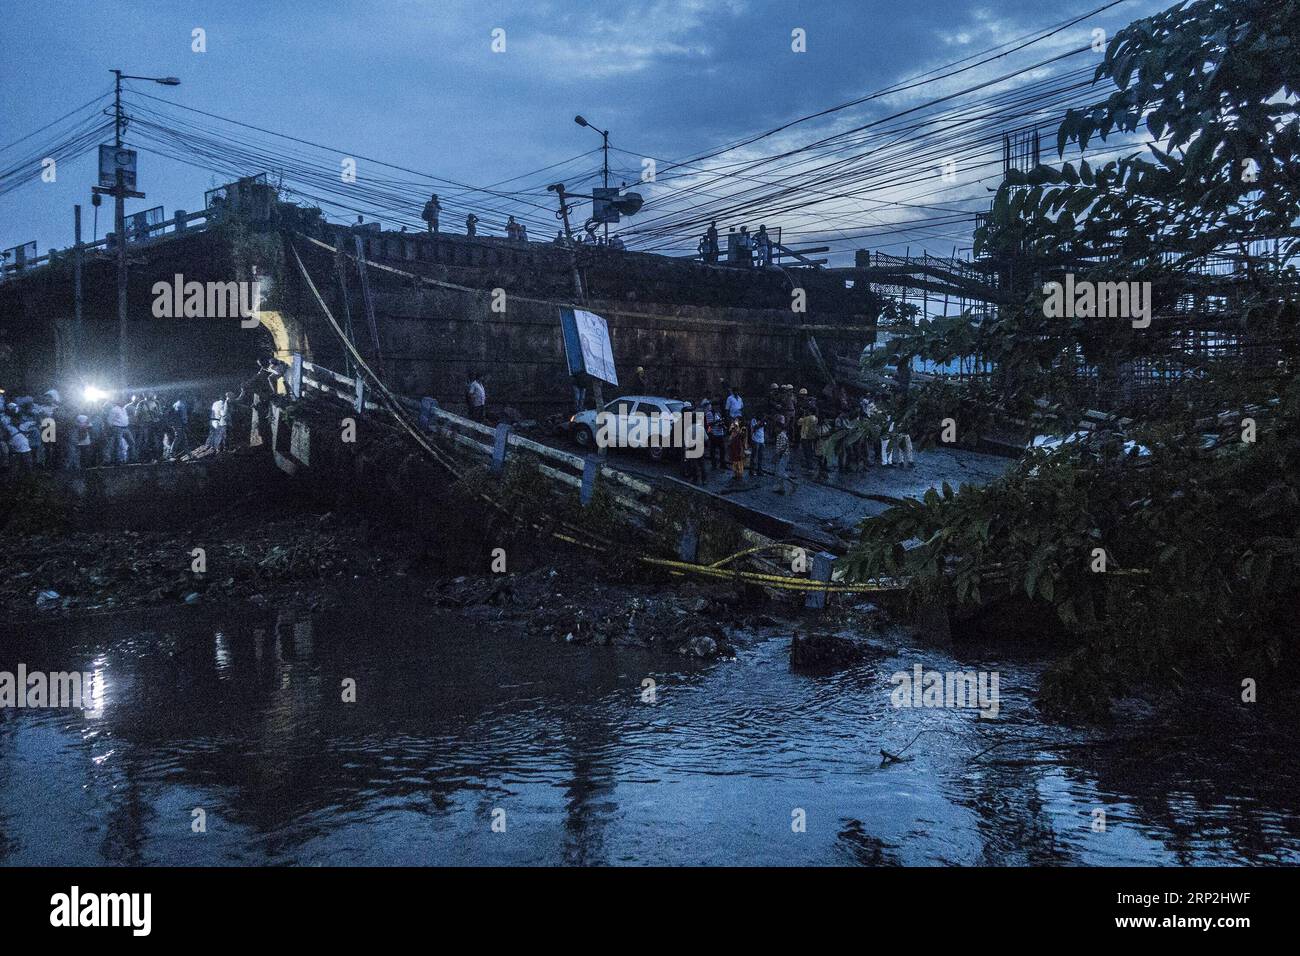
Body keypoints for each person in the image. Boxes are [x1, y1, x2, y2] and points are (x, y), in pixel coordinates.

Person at [771, 415, 793, 495]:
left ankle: (793, 483)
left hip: (783, 456)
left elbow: (783, 448)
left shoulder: (781, 435)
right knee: (779, 472)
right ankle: (781, 488)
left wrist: (776, 456)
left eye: (776, 428)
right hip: (783, 455)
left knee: (780, 472)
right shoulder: (781, 434)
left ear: (779, 428)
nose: (775, 429)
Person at [797, 406, 819, 472]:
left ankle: (809, 466)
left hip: (805, 436)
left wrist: (803, 415)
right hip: (812, 436)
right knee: (810, 450)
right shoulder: (816, 418)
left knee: (806, 451)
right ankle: (810, 464)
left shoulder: (806, 418)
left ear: (810, 411)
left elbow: (799, 423)